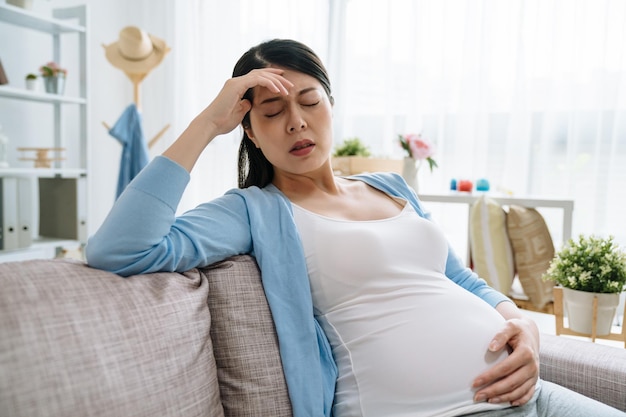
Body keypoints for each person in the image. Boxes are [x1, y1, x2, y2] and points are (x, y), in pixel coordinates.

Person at [86, 39, 624, 417]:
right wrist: (208, 122)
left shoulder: (391, 185)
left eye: (309, 101)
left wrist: (525, 328)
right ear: (247, 131)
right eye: (270, 111)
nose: (296, 120)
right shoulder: (253, 210)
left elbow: (459, 279)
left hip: (531, 395)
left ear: (330, 105)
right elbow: (120, 249)